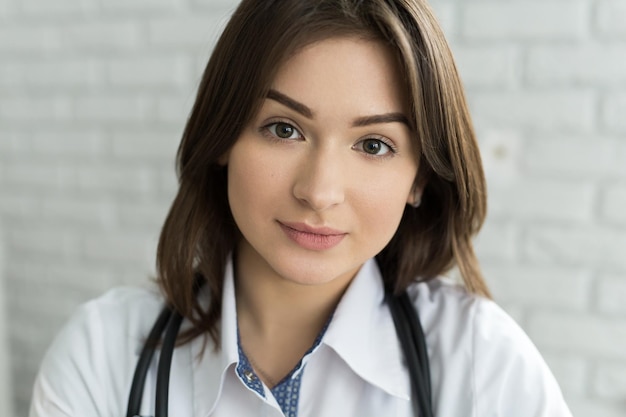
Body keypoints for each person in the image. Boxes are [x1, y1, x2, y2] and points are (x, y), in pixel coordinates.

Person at [29, 0, 573, 416]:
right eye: (284, 129)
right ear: (222, 137)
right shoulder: (101, 352)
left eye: (374, 144)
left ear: (420, 178)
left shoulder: (484, 363)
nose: (319, 191)